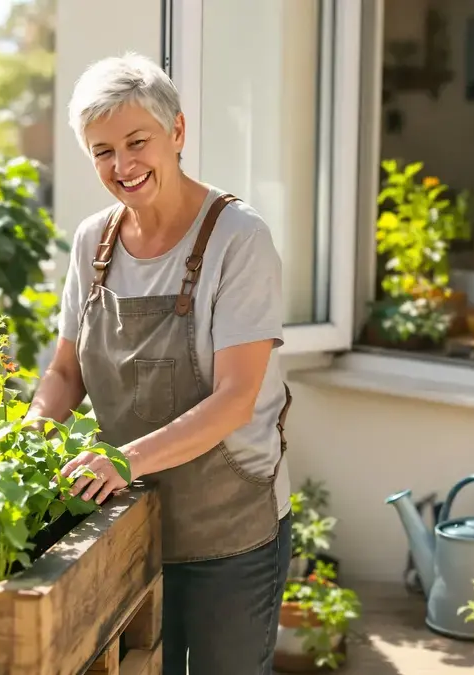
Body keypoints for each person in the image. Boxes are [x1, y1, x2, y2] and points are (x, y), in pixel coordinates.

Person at [24, 52, 294, 675]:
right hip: (125, 520)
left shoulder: (238, 240)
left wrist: (122, 461)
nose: (122, 166)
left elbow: (235, 399)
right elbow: (66, 374)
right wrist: (28, 436)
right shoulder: (94, 241)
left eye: (137, 141)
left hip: (229, 527)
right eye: (101, 151)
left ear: (177, 132)